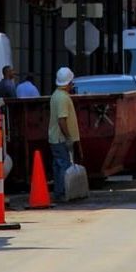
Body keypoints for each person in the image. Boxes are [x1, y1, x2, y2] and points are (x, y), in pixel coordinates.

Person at [49, 65, 81, 201]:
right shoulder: (63, 98)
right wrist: (68, 137)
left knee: (58, 166)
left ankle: (58, 192)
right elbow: (62, 120)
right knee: (64, 166)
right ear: (68, 83)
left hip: (55, 138)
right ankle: (62, 193)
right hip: (60, 139)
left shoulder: (56, 95)